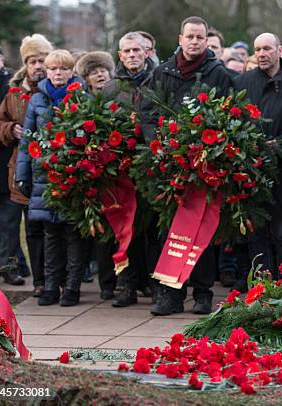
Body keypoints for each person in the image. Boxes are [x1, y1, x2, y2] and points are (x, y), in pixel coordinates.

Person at [143, 16, 233, 316]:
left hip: (204, 164)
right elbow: (148, 112)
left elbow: (226, 112)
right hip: (169, 164)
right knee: (168, 229)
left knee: (202, 229)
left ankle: (203, 293)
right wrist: (160, 143)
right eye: (190, 37)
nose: (195, 42)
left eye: (200, 37)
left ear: (207, 40)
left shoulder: (217, 73)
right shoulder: (163, 72)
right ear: (180, 39)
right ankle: (170, 294)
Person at [233, 32, 282, 288]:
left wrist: (280, 143)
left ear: (279, 50)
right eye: (257, 49)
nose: (262, 54)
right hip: (251, 170)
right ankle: (260, 288)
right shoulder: (242, 82)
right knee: (256, 233)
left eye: (267, 48)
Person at [15, 50, 87, 306]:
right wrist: (22, 176)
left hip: (72, 174)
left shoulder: (81, 96)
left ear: (71, 72)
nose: (58, 73)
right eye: (53, 68)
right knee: (50, 234)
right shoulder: (37, 99)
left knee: (73, 234)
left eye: (63, 69)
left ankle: (72, 288)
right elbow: (27, 140)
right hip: (43, 175)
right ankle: (51, 286)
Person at [0, 34, 52, 295]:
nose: (37, 66)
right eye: (32, 61)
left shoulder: (54, 90)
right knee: (15, 227)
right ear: (25, 65)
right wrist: (10, 129)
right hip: (20, 168)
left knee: (47, 229)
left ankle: (50, 277)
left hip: (50, 172)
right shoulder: (14, 94)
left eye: (42, 60)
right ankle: (13, 268)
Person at [102, 31, 157, 307]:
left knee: (156, 229)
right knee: (126, 228)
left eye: (137, 50)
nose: (132, 55)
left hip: (153, 166)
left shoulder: (159, 80)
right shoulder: (111, 88)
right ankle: (126, 285)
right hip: (122, 169)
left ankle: (158, 284)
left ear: (146, 52)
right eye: (127, 51)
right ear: (120, 56)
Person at [0, 41, 23, 286]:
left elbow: (11, 121)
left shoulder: (12, 85)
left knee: (9, 222)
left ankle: (10, 267)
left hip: (3, 162)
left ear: (2, 59)